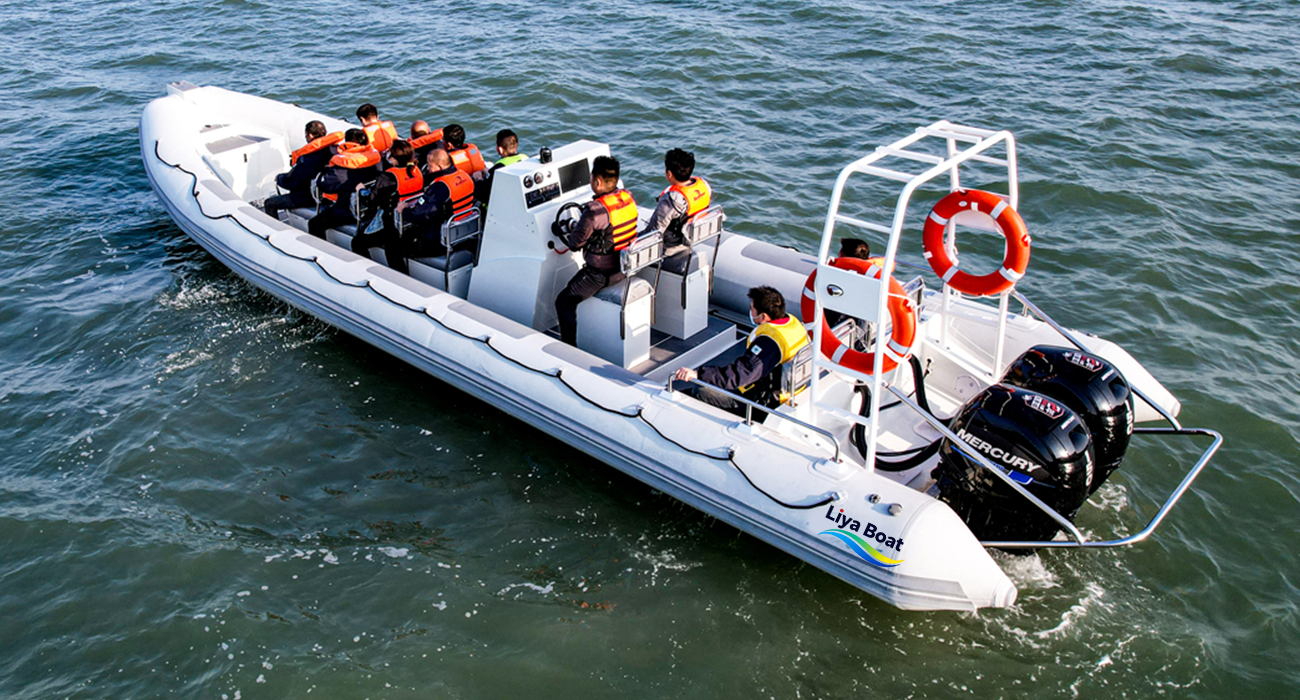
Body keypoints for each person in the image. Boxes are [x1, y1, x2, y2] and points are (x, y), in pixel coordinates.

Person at [673, 286, 809, 414]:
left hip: (763, 401)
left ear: (763, 317)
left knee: (701, 390)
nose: (750, 312)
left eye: (752, 309)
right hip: (790, 392)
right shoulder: (792, 323)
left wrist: (700, 374)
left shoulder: (770, 342)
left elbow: (742, 374)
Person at [553, 155, 638, 345]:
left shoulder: (594, 211)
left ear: (597, 182)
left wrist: (567, 228)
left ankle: (568, 349)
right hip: (624, 268)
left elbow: (575, 243)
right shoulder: (627, 197)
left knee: (563, 302)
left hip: (600, 275)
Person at [389, 148, 475, 275]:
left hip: (439, 242)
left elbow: (418, 214)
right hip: (465, 236)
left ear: (439, 166)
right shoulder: (464, 175)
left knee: (393, 247)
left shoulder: (440, 187)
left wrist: (404, 209)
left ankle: (402, 281)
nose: (428, 169)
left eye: (430, 165)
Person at [349, 139, 424, 263]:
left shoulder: (388, 177)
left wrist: (361, 190)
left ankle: (366, 269)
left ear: (394, 159)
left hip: (392, 224)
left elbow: (371, 200)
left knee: (358, 242)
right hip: (411, 219)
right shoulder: (416, 170)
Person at [307, 128, 381, 239]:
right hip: (372, 208)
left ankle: (322, 251)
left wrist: (326, 171)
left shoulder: (342, 167)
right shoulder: (377, 160)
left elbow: (324, 185)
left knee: (314, 224)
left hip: (349, 211)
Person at [263, 121, 340, 220]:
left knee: (269, 203)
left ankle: (274, 229)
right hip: (331, 196)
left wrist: (279, 178)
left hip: (309, 197)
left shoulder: (308, 159)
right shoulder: (336, 150)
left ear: (310, 136)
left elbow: (293, 182)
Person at [643, 148, 711, 251]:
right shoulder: (704, 186)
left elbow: (654, 233)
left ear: (669, 174)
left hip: (671, 246)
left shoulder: (672, 200)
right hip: (693, 236)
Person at [478, 128, 525, 207]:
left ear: (500, 149)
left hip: (497, 208)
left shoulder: (499, 168)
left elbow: (482, 194)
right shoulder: (525, 158)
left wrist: (478, 179)